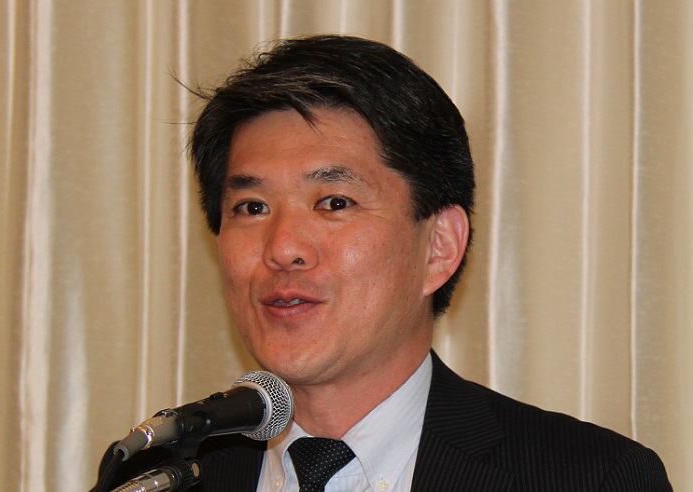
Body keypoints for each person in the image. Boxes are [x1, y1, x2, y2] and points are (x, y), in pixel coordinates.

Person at [96, 35, 671, 491]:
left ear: (438, 246)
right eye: (252, 207)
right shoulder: (163, 476)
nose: (282, 247)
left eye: (334, 203)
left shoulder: (589, 477)